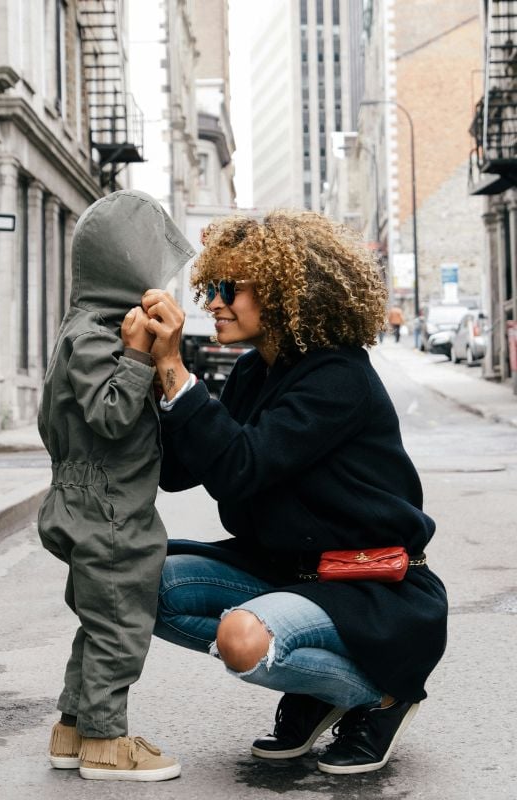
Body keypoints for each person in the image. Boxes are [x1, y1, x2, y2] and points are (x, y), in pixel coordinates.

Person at [141, 210, 448, 776]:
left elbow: (240, 466)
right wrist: (150, 370)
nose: (211, 304)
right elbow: (181, 469)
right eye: (209, 288)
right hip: (284, 571)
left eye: (227, 289)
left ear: (284, 291)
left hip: (368, 586)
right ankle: (318, 685)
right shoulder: (255, 371)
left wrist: (176, 370)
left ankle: (377, 695)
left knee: (243, 640)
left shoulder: (338, 377)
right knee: (140, 587)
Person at [37, 189, 194, 782]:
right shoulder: (103, 336)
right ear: (126, 266)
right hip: (110, 509)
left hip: (85, 499)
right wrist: (136, 358)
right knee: (122, 626)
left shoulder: (81, 327)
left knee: (97, 622)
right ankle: (107, 742)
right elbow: (109, 415)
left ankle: (73, 728)